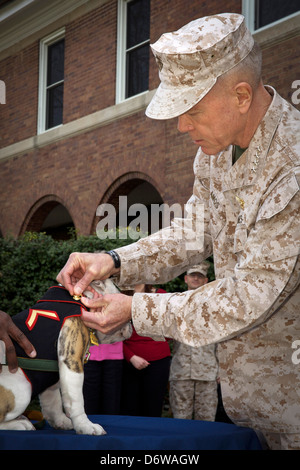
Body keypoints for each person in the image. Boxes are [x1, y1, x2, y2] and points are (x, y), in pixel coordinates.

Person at [2, 13, 299, 449]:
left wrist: (136, 310)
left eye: (192, 111)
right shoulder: (218, 150)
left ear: (240, 96)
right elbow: (193, 231)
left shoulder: (292, 167)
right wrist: (115, 261)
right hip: (245, 400)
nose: (181, 126)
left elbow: (249, 295)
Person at [169, 262, 219, 421]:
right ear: (185, 278)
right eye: (193, 275)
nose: (196, 278)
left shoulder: (216, 305)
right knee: (180, 420)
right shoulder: (174, 303)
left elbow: (223, 339)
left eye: (200, 276)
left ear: (206, 280)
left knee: (207, 421)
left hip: (208, 371)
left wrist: (222, 369)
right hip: (181, 371)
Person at [121, 284, 171, 417]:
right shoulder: (120, 296)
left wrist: (156, 344)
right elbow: (114, 335)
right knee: (129, 409)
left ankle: (152, 438)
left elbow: (171, 326)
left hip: (159, 360)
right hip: (129, 361)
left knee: (153, 410)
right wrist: (130, 356)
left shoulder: (161, 295)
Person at [83, 341, 123, 415]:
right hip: (87, 354)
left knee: (112, 401)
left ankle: (111, 425)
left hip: (113, 354)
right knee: (88, 401)